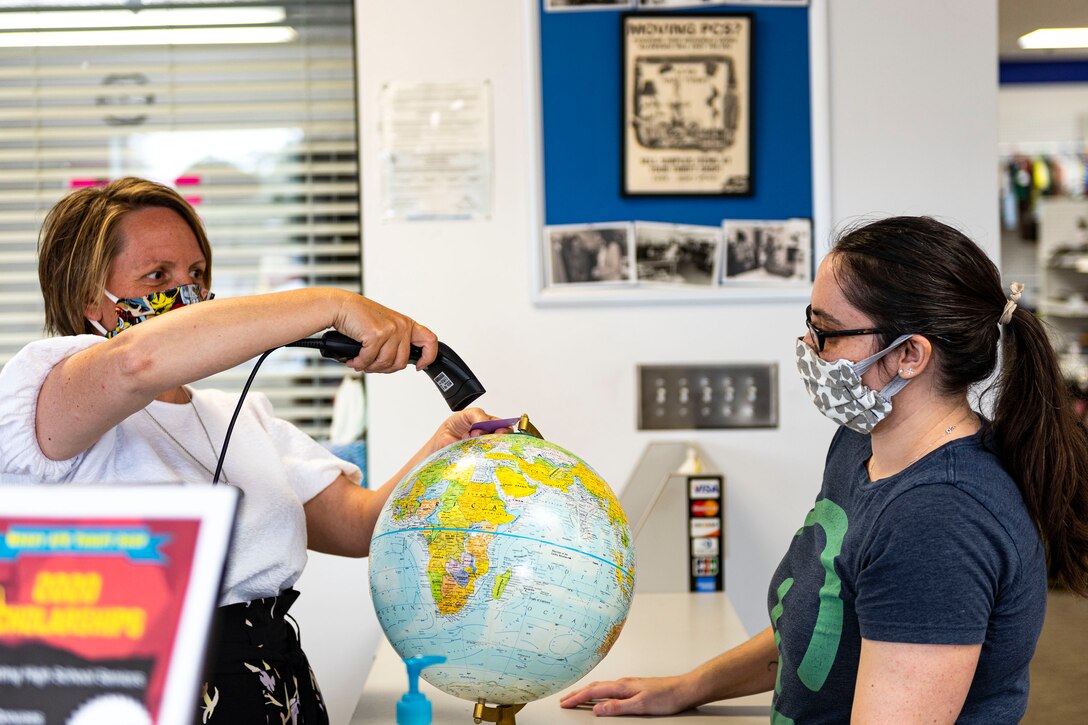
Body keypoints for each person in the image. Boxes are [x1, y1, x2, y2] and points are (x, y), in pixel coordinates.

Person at [0, 177, 508, 724]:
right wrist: (333, 304)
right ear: (84, 298)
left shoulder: (243, 415)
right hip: (133, 697)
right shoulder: (48, 394)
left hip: (273, 687)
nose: (188, 293)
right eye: (157, 276)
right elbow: (136, 361)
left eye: (197, 274)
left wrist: (442, 448)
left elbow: (358, 525)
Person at [561, 216, 1088, 722]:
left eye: (828, 331)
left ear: (910, 356)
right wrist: (690, 686)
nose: (809, 348)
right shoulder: (860, 445)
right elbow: (820, 623)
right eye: (809, 323)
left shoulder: (938, 520)